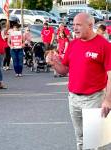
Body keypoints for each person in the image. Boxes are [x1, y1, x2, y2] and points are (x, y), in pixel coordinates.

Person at [46, 12, 111, 150]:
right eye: (74, 25)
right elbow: (64, 70)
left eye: (78, 25)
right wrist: (53, 63)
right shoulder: (73, 44)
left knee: (96, 142)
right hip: (74, 99)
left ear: (90, 25)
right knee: (80, 138)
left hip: (95, 98)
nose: (74, 28)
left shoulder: (104, 45)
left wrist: (108, 100)